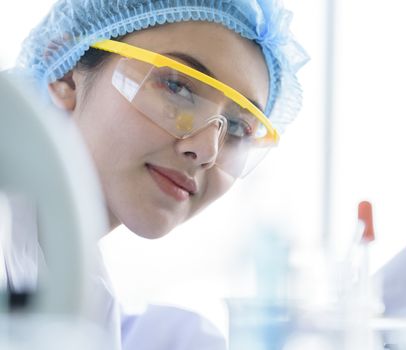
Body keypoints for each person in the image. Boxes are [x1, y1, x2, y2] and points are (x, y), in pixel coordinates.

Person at [4, 0, 308, 349]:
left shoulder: (73, 277)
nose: (207, 151)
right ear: (66, 75)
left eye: (238, 127)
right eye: (178, 87)